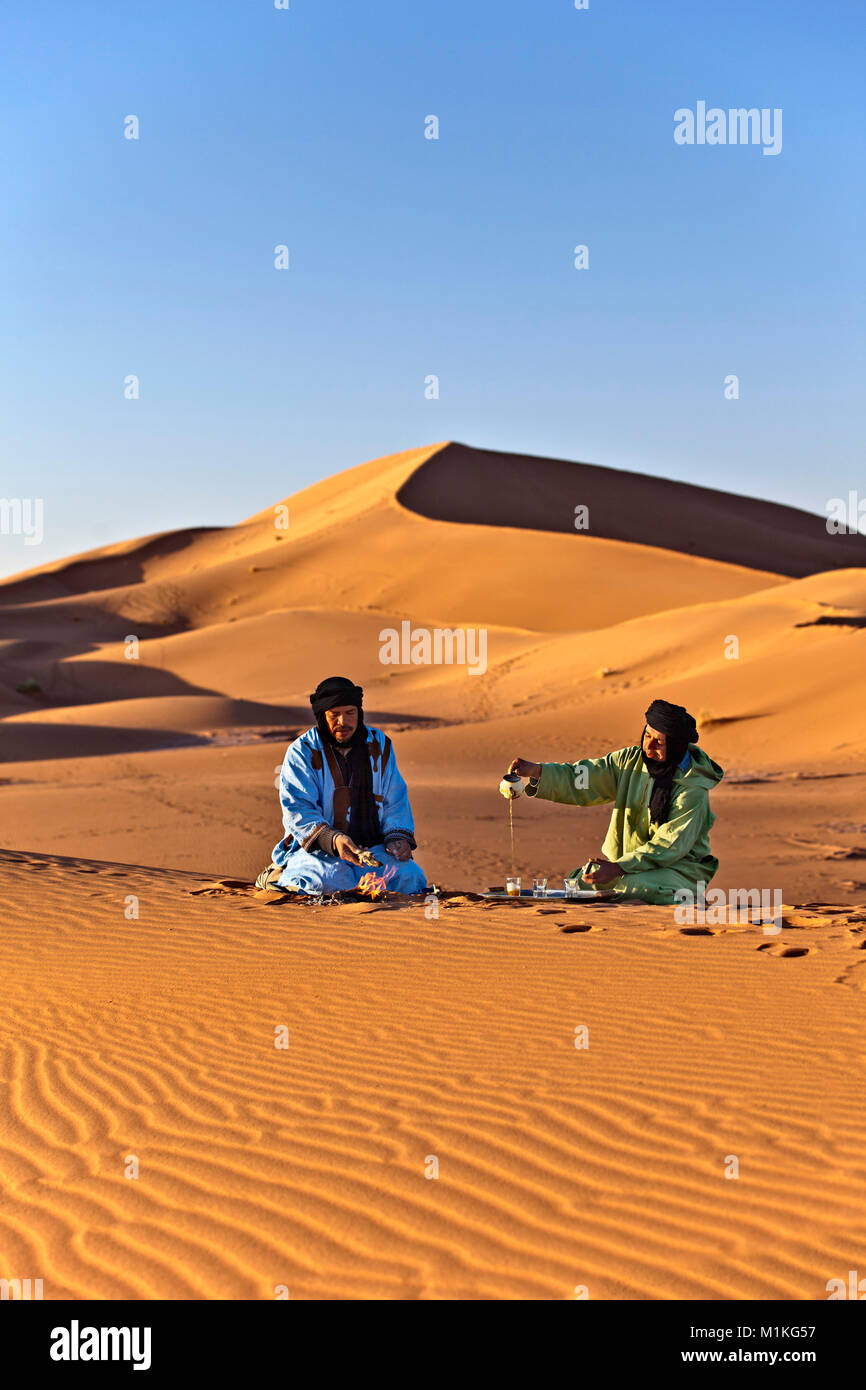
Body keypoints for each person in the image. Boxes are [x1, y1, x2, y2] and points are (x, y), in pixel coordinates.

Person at [508, 699, 723, 905]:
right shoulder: (629, 761)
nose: (648, 747)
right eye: (647, 735)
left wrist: (620, 867)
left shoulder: (692, 788)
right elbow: (584, 778)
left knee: (633, 887)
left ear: (676, 747)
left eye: (659, 742)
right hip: (627, 866)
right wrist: (538, 772)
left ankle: (689, 900)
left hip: (679, 869)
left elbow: (669, 846)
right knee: (580, 884)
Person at [258, 675, 427, 895]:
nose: (343, 722)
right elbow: (298, 810)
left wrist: (397, 838)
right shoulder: (302, 751)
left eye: (350, 713)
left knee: (410, 878)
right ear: (321, 716)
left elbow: (395, 798)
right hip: (319, 851)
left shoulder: (380, 745)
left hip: (372, 849)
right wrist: (334, 840)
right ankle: (279, 874)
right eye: (334, 715)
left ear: (359, 713)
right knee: (327, 882)